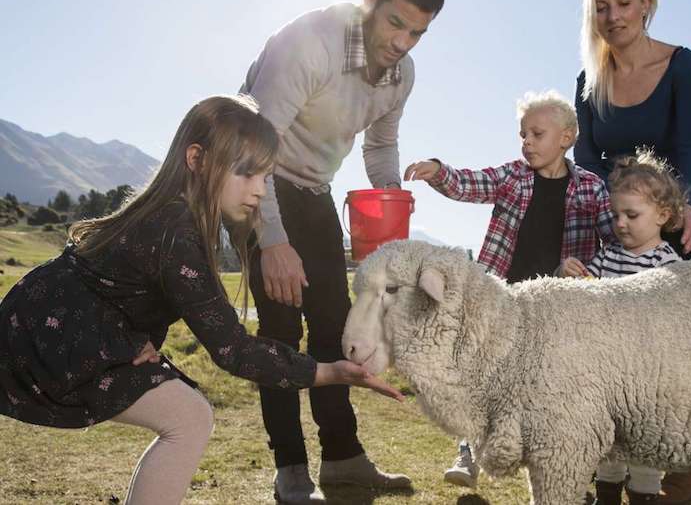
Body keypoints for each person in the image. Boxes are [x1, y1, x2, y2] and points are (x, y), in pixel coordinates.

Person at [0, 95, 403, 505]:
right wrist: (330, 372)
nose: (261, 190)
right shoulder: (177, 229)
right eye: (248, 174)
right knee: (189, 418)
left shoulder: (182, 219)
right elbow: (232, 348)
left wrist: (127, 333)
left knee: (188, 416)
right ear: (197, 159)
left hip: (62, 327)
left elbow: (116, 287)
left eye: (266, 177)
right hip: (44, 333)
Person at [238, 0, 446, 504]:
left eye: (418, 33)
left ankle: (343, 460)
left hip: (316, 190)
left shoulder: (401, 75)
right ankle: (290, 470)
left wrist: (390, 201)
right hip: (256, 181)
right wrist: (273, 240)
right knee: (282, 332)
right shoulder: (308, 44)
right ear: (371, 0)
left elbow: (380, 147)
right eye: (396, 22)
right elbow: (251, 150)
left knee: (336, 329)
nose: (402, 42)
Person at [404, 89, 615, 487]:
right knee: (484, 375)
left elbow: (615, 238)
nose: (527, 143)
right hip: (504, 297)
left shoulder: (590, 189)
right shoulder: (513, 176)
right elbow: (471, 183)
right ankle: (469, 451)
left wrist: (590, 270)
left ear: (567, 137)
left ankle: (562, 463)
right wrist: (438, 170)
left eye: (537, 134)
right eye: (523, 135)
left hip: (557, 308)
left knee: (552, 382)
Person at [575, 0, 691, 504]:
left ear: (646, 4)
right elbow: (587, 159)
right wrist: (600, 219)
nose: (613, 16)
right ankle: (611, 470)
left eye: (624, 3)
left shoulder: (682, 65)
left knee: (676, 360)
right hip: (614, 226)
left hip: (673, 217)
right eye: (602, 7)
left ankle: (683, 478)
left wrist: (687, 207)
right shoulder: (590, 78)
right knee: (612, 359)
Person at [558, 150, 686, 505]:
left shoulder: (668, 264)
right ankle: (607, 495)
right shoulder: (608, 255)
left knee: (645, 448)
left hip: (648, 376)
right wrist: (572, 277)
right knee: (609, 446)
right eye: (616, 215)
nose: (621, 223)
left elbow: (671, 315)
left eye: (632, 214)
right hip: (607, 375)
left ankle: (644, 495)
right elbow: (589, 294)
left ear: (662, 214)